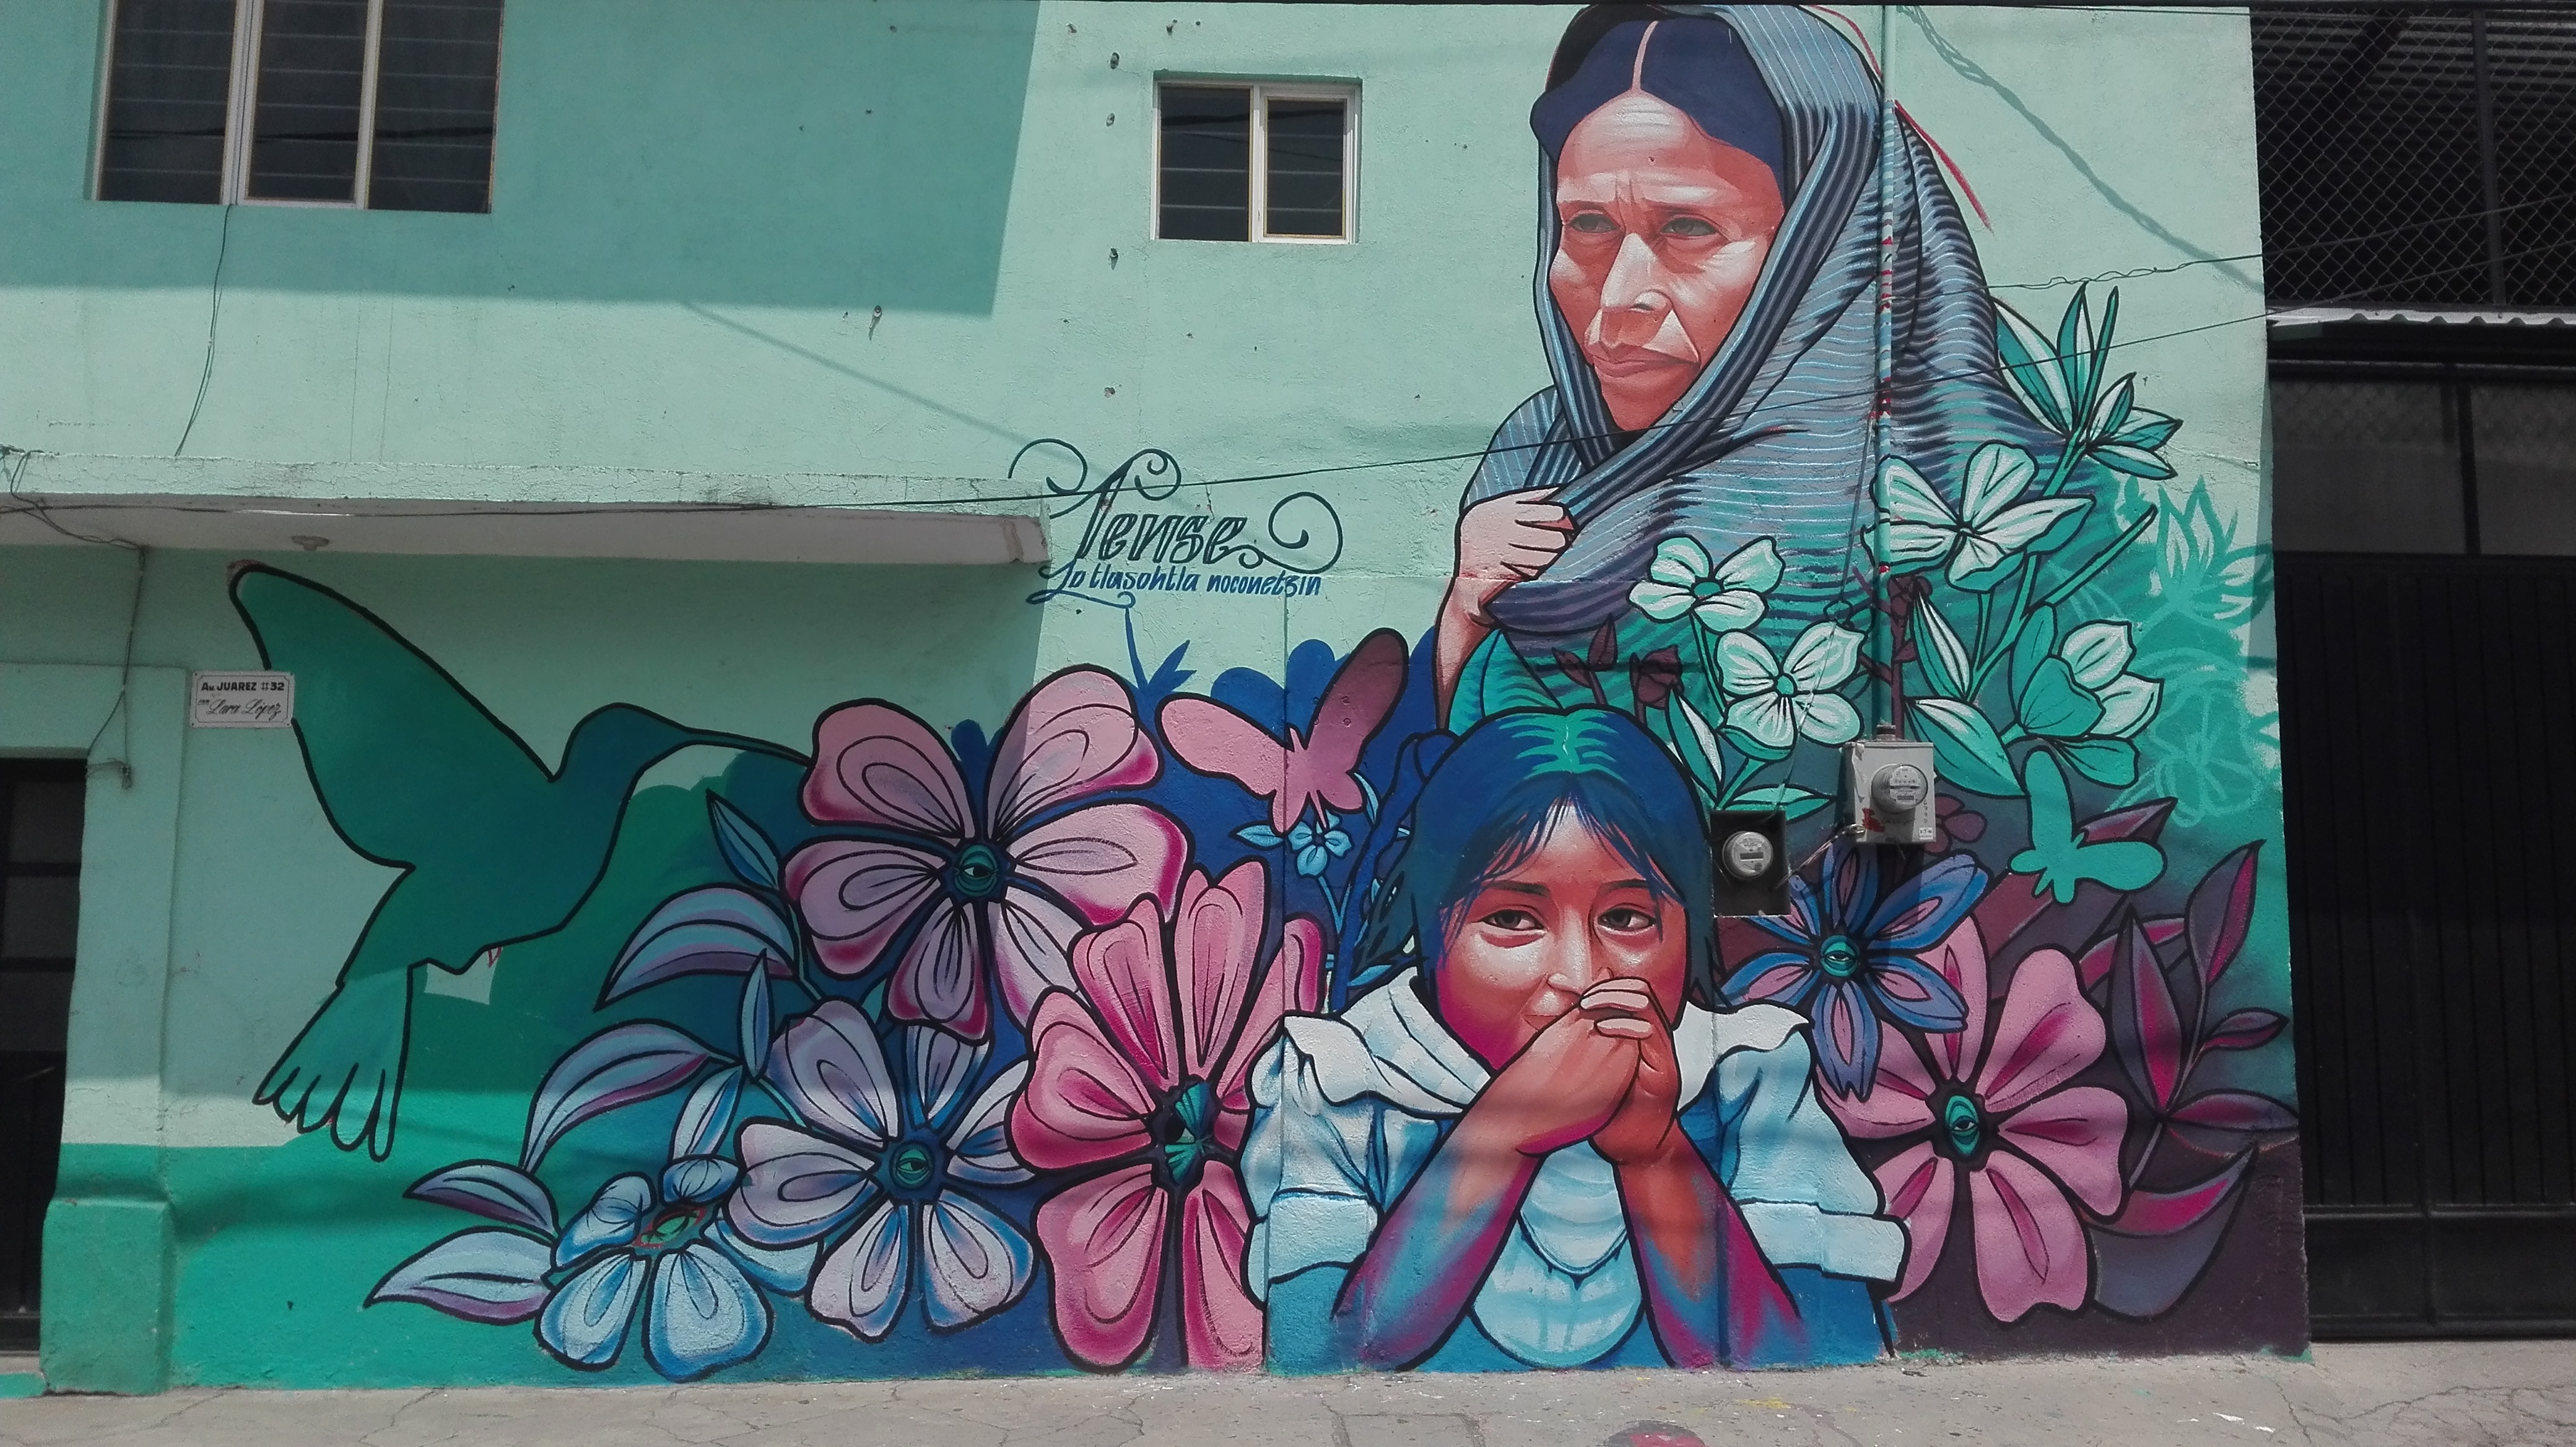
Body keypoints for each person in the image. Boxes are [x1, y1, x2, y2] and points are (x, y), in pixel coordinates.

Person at [1435, 5, 2050, 717]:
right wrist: (1465, 603)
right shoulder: (1537, 453)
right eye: (1588, 224)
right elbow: (1430, 767)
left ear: (1825, 242)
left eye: (1687, 227)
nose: (1619, 295)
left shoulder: (1971, 496)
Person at [1240, 710, 1899, 1371]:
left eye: (1626, 917)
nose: (1580, 978)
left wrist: (1653, 1153)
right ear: (1431, 930)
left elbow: (1819, 1354)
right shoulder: (1343, 1080)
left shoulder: (1747, 1074)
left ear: (1688, 928)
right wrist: (1504, 1132)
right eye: (1512, 918)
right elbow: (1317, 1355)